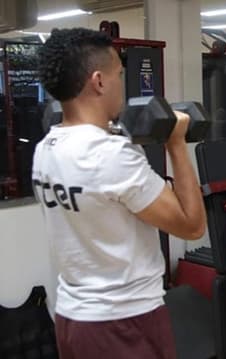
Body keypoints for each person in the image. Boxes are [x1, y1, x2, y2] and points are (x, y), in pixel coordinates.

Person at [33, 28, 206, 358]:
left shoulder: (46, 149)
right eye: (119, 76)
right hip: (124, 322)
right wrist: (176, 143)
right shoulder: (110, 155)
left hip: (73, 319)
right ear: (99, 81)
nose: (122, 86)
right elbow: (192, 225)